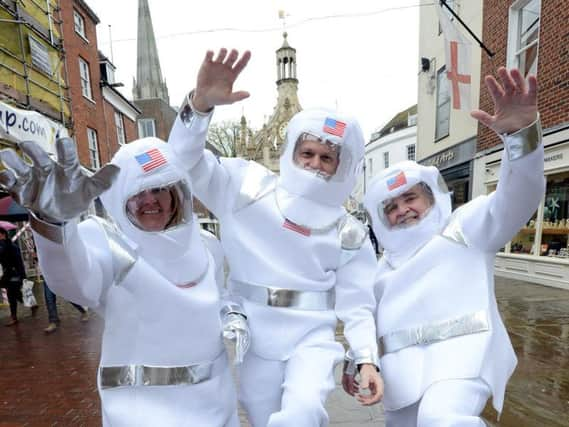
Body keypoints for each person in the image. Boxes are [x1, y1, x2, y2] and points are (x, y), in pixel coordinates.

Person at [168, 48, 383, 426]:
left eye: (326, 158)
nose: (315, 164)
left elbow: (358, 303)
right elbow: (184, 164)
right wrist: (198, 107)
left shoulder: (347, 230)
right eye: (308, 153)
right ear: (292, 153)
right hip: (256, 337)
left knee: (302, 413)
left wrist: (365, 357)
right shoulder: (246, 188)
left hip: (313, 340)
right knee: (260, 413)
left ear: (340, 166)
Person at [343, 67, 544, 426]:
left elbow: (519, 197)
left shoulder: (466, 228)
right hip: (402, 380)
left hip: (461, 363)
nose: (402, 209)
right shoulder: (381, 268)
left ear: (430, 196)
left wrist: (520, 137)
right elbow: (363, 319)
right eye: (391, 206)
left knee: (441, 420)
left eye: (410, 198)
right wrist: (359, 360)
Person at [0, 137, 244, 426]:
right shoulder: (108, 242)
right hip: (142, 410)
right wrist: (54, 225)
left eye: (159, 189)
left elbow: (218, 297)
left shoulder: (206, 244)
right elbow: (74, 282)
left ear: (180, 192)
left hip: (216, 402)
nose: (150, 200)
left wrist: (232, 314)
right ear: (119, 197)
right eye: (138, 192)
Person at [0, 226, 28, 326]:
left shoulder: (10, 246)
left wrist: (23, 276)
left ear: (2, 234)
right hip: (9, 274)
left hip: (15, 274)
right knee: (14, 294)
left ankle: (14, 317)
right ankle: (30, 304)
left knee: (12, 295)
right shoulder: (4, 245)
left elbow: (19, 262)